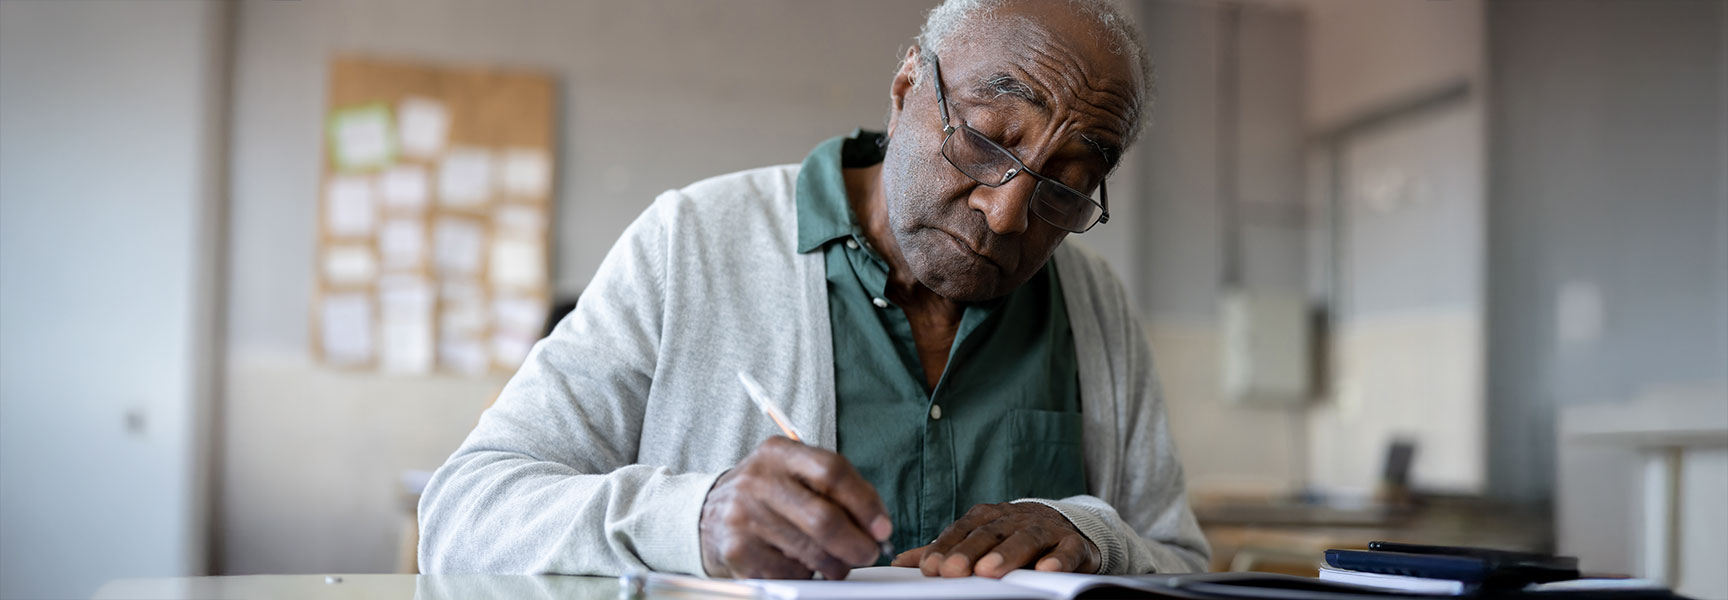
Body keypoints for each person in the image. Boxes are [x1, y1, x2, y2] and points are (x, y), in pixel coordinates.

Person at [418, 0, 1210, 581]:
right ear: (906, 90)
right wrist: (693, 518)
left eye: (1068, 187)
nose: (1008, 214)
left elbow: (1177, 558)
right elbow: (466, 512)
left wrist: (1088, 534)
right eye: (985, 141)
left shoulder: (1094, 303)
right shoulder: (692, 241)